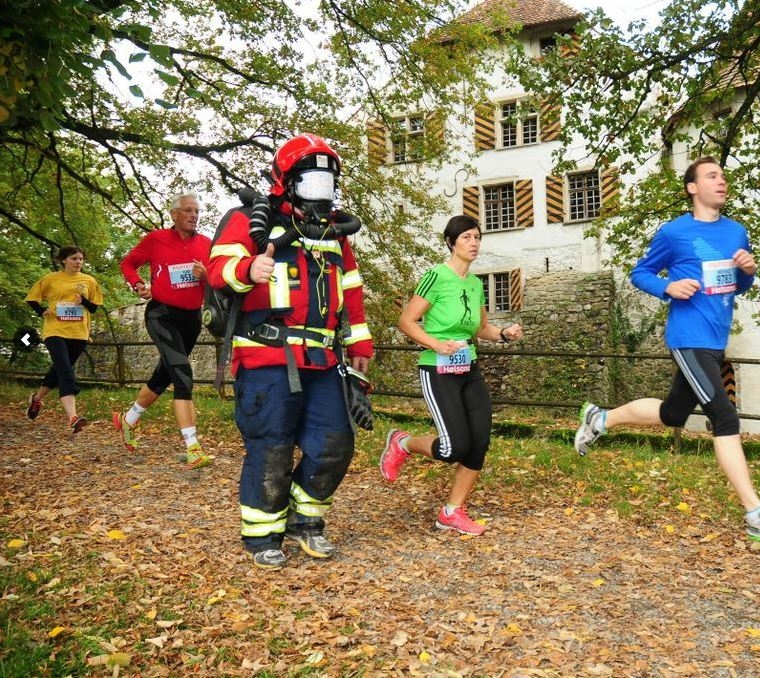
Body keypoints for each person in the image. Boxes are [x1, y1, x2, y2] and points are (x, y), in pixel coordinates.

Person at [572, 156, 760, 546]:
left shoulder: (736, 232)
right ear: (692, 187)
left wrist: (747, 271)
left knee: (671, 413)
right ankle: (757, 515)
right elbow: (640, 272)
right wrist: (668, 288)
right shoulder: (674, 233)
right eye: (712, 176)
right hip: (688, 336)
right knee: (723, 415)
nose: (722, 182)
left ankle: (600, 418)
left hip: (716, 338)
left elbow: (736, 286)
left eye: (724, 177)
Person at [206, 133, 373, 569]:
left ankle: (307, 522)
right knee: (271, 447)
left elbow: (350, 292)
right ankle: (262, 535)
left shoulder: (335, 235)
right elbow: (216, 271)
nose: (319, 192)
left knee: (335, 442)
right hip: (266, 356)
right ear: (288, 181)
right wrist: (248, 268)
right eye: (309, 181)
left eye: (326, 182)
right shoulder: (247, 220)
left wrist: (359, 342)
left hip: (323, 359)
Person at [380, 215, 523, 536]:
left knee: (479, 442)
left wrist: (504, 334)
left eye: (477, 237)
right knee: (452, 448)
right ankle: (402, 443)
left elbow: (481, 327)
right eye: (467, 238)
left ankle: (452, 511)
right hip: (437, 369)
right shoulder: (435, 277)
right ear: (451, 242)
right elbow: (407, 321)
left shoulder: (474, 284)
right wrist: (436, 344)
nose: (474, 243)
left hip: (468, 368)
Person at [112, 193, 213, 469]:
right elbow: (128, 264)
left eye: (197, 211)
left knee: (164, 374)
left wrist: (206, 275)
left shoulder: (206, 244)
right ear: (174, 214)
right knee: (183, 374)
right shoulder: (156, 239)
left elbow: (218, 276)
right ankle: (193, 447)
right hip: (162, 314)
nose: (194, 215)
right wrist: (138, 284)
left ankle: (128, 419)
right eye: (188, 210)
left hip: (191, 319)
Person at [24, 246, 105, 433]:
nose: (78, 262)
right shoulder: (51, 279)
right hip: (55, 331)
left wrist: (83, 301)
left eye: (81, 259)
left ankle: (36, 399)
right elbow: (32, 298)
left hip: (79, 333)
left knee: (57, 372)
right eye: (74, 258)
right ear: (63, 260)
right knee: (66, 372)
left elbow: (94, 309)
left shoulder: (89, 280)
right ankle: (73, 417)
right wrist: (41, 311)